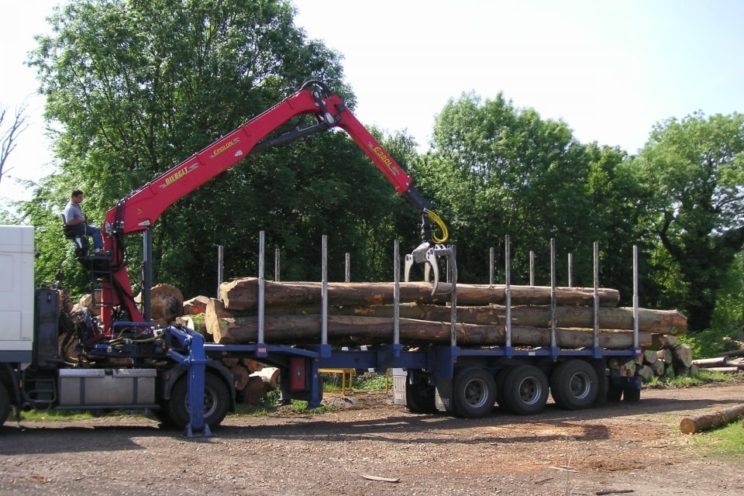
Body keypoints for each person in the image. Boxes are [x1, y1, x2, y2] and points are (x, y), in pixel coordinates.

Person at [63, 189, 104, 254]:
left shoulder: (76, 205)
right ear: (74, 197)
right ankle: (98, 250)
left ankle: (97, 249)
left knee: (95, 227)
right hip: (76, 228)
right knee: (96, 230)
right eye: (80, 197)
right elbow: (69, 222)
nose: (82, 199)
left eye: (82, 197)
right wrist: (81, 220)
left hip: (80, 226)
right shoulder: (70, 208)